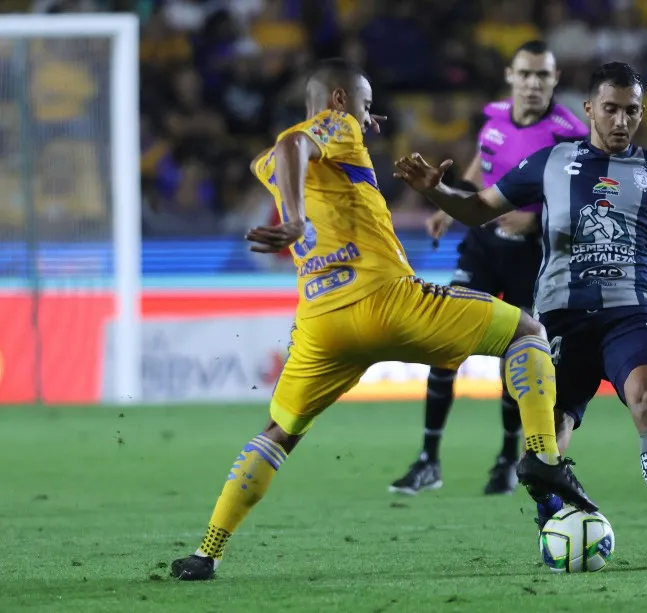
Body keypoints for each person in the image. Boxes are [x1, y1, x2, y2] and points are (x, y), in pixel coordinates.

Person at [169, 59, 596, 581]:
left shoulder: (275, 161)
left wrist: (315, 185)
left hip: (323, 324)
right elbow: (295, 145)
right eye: (366, 107)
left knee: (279, 431)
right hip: (389, 301)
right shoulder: (331, 130)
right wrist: (296, 217)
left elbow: (288, 154)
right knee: (527, 332)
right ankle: (541, 461)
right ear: (340, 102)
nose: (371, 122)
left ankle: (207, 552)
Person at [393, 61, 647, 567]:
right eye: (611, 109)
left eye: (631, 111)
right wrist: (436, 191)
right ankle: (554, 527)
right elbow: (478, 209)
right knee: (548, 432)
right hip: (562, 318)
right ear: (588, 110)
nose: (621, 120)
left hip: (629, 313)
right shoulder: (552, 161)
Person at [389, 40, 588, 497]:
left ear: (555, 80)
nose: (534, 83)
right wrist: (450, 203)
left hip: (531, 256)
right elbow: (484, 163)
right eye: (526, 74)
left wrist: (535, 218)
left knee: (513, 358)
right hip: (482, 245)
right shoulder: (495, 115)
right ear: (510, 76)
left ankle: (504, 460)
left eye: (543, 75)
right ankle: (427, 461)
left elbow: (582, 197)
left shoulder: (570, 133)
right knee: (444, 339)